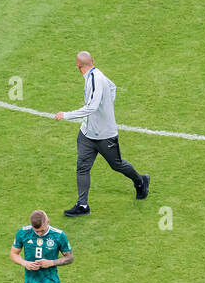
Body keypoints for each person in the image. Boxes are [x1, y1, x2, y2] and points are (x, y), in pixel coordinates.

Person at [55, 51, 149, 216]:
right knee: (82, 168)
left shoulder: (95, 79)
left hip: (105, 135)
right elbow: (113, 87)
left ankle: (140, 181)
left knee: (117, 164)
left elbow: (91, 107)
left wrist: (66, 115)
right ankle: (82, 205)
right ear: (92, 61)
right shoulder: (97, 75)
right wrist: (107, 105)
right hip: (87, 133)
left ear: (78, 66)